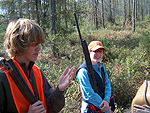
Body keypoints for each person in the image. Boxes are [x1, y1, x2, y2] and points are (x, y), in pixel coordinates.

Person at [0, 18, 75, 113]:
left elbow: (50, 108)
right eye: (34, 44)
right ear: (19, 43)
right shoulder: (3, 77)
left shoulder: (37, 72)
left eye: (39, 43)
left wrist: (59, 90)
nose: (39, 48)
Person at [76, 41, 115, 113]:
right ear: (88, 53)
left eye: (101, 51)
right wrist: (107, 110)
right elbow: (89, 95)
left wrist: (106, 99)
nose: (98, 54)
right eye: (95, 51)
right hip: (90, 109)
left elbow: (107, 83)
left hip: (104, 106)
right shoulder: (83, 71)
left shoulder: (101, 66)